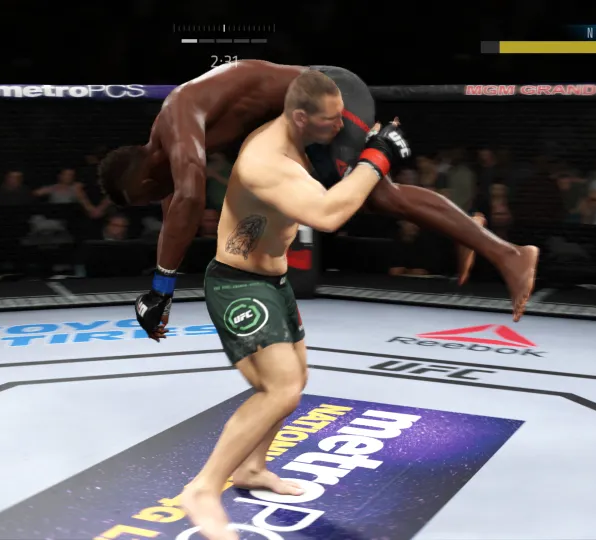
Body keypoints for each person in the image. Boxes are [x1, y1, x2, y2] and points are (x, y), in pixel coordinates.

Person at [98, 60, 539, 340]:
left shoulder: (177, 115)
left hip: (329, 93)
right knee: (379, 198)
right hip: (305, 117)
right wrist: (163, 295)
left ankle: (509, 254)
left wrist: (161, 289)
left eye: (142, 199)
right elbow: (177, 207)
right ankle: (472, 232)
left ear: (142, 179)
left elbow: (189, 198)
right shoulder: (169, 156)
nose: (155, 200)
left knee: (374, 196)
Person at [180, 69, 412, 540]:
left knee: (294, 381)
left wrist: (362, 142)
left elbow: (333, 164)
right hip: (238, 284)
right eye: (331, 120)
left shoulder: (301, 139)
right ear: (301, 117)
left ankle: (252, 468)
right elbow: (328, 214)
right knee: (281, 388)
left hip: (274, 280)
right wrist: (378, 155)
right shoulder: (264, 160)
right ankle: (203, 489)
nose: (340, 126)